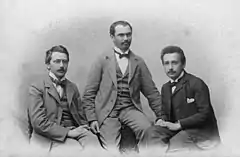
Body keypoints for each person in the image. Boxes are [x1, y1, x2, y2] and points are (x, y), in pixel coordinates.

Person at [82, 21, 166, 153]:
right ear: (112, 37)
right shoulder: (101, 60)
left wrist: (161, 116)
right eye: (121, 35)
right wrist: (92, 119)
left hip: (130, 108)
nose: (126, 39)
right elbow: (89, 93)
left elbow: (152, 92)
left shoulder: (138, 62)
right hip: (107, 112)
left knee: (148, 131)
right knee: (111, 148)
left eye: (128, 35)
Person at [141, 45, 221, 153]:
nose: (170, 67)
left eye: (174, 63)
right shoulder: (165, 88)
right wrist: (161, 120)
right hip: (177, 129)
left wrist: (179, 125)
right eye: (166, 63)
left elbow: (205, 114)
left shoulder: (196, 84)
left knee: (175, 144)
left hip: (200, 132)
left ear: (183, 64)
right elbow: (165, 113)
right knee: (151, 133)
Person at [27, 45, 101, 155]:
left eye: (65, 62)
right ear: (48, 65)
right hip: (49, 137)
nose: (62, 65)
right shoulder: (37, 87)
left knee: (96, 146)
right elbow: (38, 123)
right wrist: (69, 133)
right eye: (57, 61)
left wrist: (86, 127)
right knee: (77, 151)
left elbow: (80, 115)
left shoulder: (72, 87)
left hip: (74, 131)